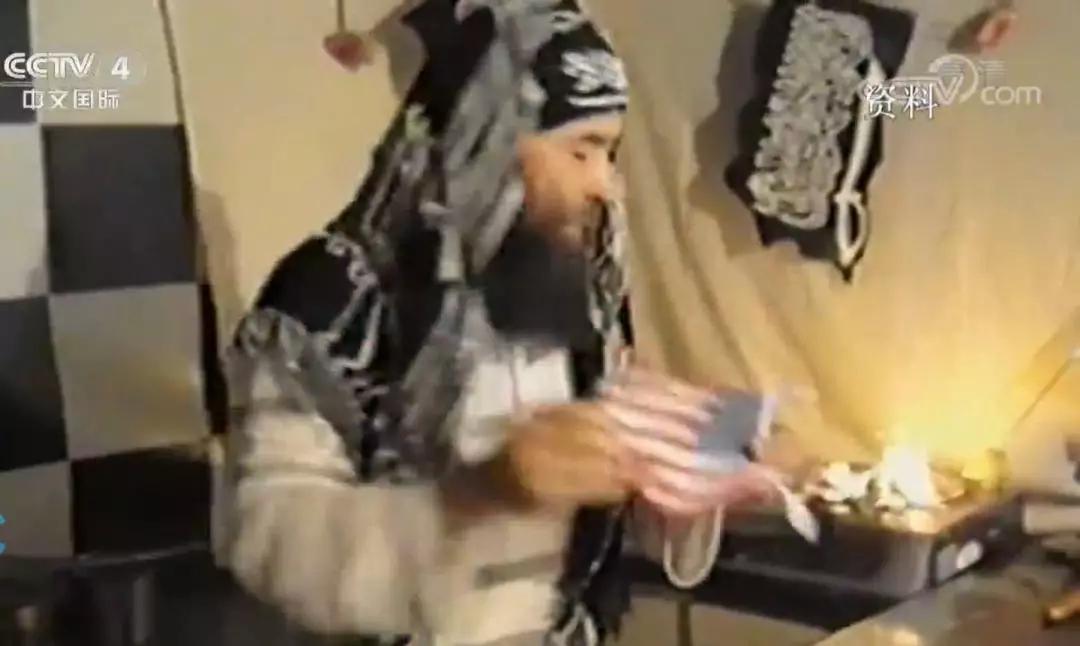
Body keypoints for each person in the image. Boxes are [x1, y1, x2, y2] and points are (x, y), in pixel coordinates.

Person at [219, 1, 779, 644]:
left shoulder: (568, 288)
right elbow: (271, 540)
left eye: (610, 154)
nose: (606, 185)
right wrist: (484, 493)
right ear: (483, 140)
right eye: (582, 151)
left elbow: (602, 482)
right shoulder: (332, 293)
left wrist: (711, 450)